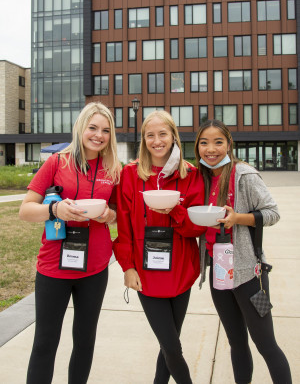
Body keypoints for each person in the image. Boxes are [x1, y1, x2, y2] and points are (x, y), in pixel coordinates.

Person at [19, 102, 121, 384]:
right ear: (81, 128)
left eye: (105, 130)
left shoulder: (113, 169)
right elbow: (25, 210)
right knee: (44, 343)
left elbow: (117, 214)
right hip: (54, 267)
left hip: (95, 268)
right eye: (92, 128)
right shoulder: (56, 162)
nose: (98, 135)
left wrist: (109, 215)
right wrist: (54, 210)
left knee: (85, 341)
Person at [194, 119, 292, 384]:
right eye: (204, 142)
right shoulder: (201, 177)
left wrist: (238, 217)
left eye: (218, 142)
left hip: (251, 276)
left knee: (266, 344)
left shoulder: (244, 174)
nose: (210, 149)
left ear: (229, 144)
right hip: (220, 273)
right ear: (197, 146)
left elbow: (273, 213)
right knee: (236, 343)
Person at [113, 110, 205, 384]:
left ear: (173, 136)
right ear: (143, 139)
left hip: (181, 269)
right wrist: (127, 267)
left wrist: (175, 211)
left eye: (162, 134)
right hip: (146, 272)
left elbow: (196, 228)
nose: (157, 140)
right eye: (150, 135)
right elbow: (125, 229)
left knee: (168, 344)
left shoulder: (191, 174)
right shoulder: (130, 175)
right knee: (172, 346)